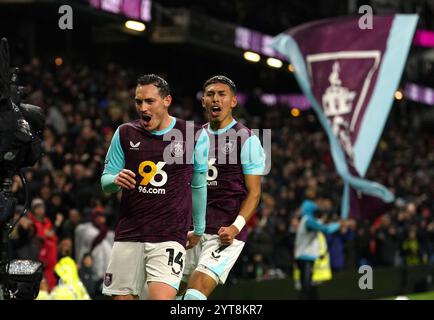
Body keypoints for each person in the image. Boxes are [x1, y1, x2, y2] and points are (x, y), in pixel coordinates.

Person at [100, 74, 209, 300]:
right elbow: (106, 182)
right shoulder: (125, 133)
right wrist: (115, 180)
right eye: (139, 102)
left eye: (150, 101)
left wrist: (199, 228)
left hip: (169, 234)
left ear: (166, 101)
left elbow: (198, 185)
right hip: (129, 234)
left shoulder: (194, 135)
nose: (143, 107)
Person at [178, 75, 266, 300]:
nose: (215, 99)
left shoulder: (247, 139)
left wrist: (235, 227)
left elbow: (254, 192)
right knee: (169, 294)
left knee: (195, 292)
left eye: (221, 94)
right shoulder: (194, 137)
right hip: (192, 230)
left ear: (233, 101)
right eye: (210, 94)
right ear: (203, 101)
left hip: (224, 233)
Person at [294, 199, 341, 300]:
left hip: (303, 257)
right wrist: (338, 224)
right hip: (305, 258)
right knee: (306, 287)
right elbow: (326, 229)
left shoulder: (305, 220)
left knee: (308, 286)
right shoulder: (308, 220)